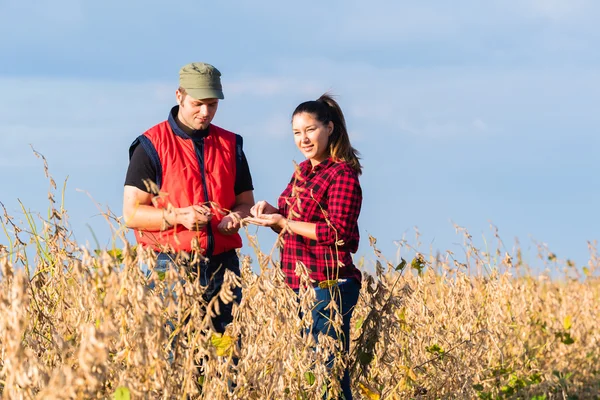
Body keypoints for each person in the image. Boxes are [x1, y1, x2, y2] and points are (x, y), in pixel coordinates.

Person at [122, 62, 255, 334]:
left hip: (224, 266)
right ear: (179, 96)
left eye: (213, 105)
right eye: (198, 104)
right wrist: (179, 216)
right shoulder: (150, 146)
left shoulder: (232, 145)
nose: (205, 113)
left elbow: (246, 202)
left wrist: (235, 217)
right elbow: (132, 214)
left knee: (226, 358)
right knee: (174, 359)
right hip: (167, 265)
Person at [246, 93, 362, 399]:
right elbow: (292, 223)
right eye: (297, 132)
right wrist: (271, 213)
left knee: (330, 374)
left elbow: (337, 232)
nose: (304, 138)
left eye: (310, 130)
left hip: (330, 284)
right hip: (301, 284)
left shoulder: (342, 175)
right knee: (316, 372)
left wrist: (283, 222)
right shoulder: (302, 171)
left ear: (330, 128)